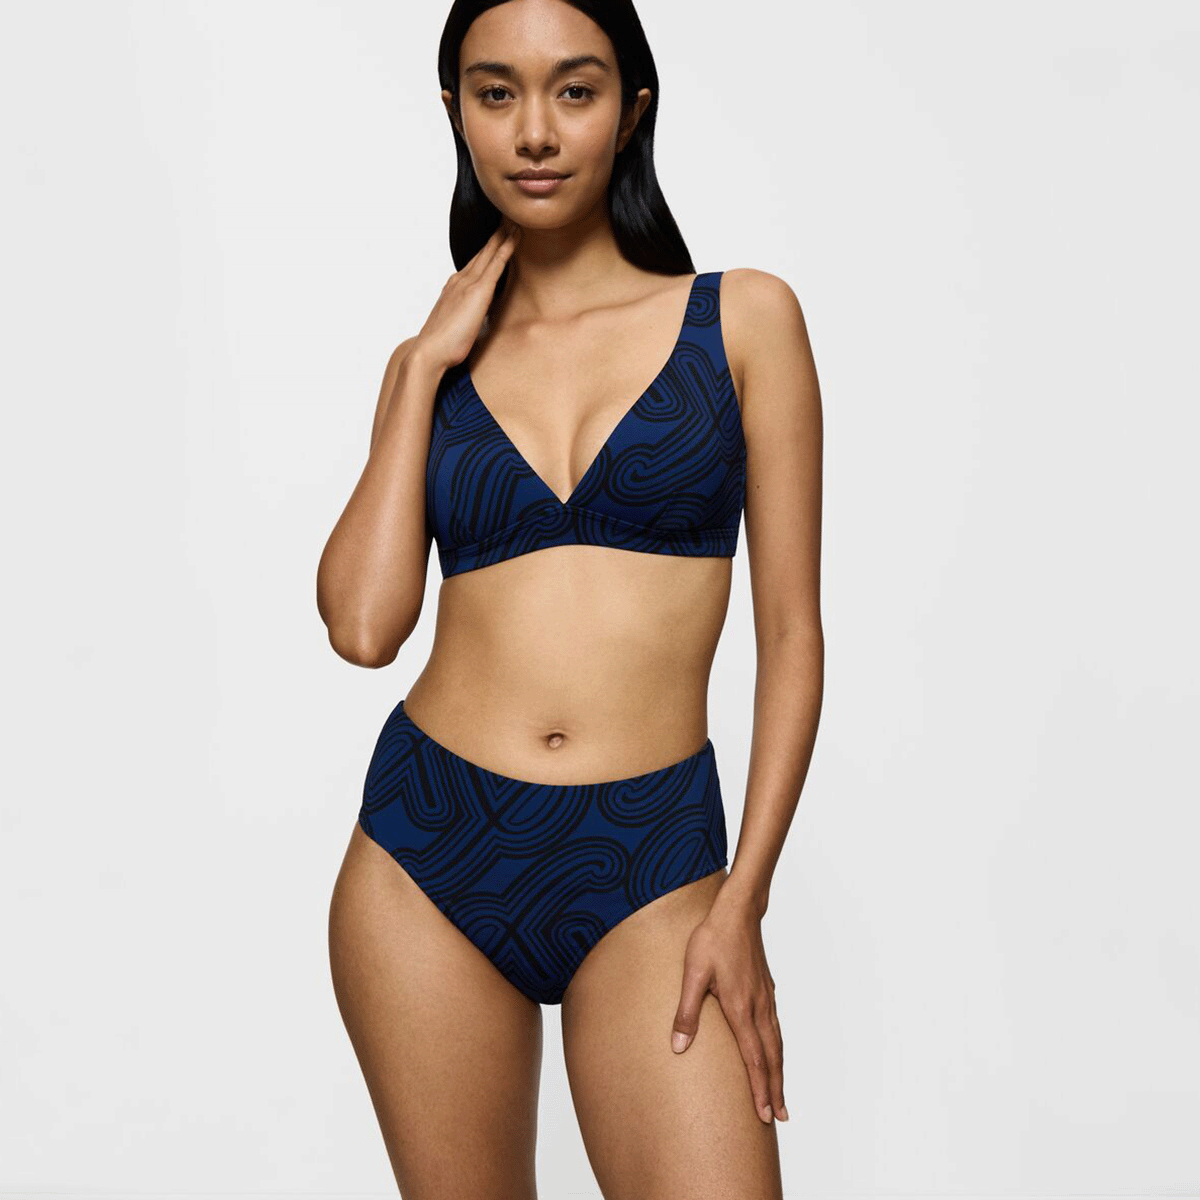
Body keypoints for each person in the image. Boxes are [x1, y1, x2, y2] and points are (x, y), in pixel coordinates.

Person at [317, 0, 823, 1195]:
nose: (534, 131)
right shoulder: (433, 365)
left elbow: (792, 633)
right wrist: (418, 369)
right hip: (428, 850)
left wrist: (743, 899)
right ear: (458, 112)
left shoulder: (742, 320)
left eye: (574, 90)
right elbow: (364, 627)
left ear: (631, 111)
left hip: (653, 853)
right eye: (496, 93)